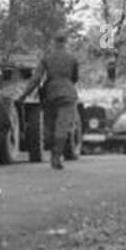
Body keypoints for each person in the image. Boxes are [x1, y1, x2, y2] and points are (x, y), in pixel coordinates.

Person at [33, 31, 80, 169]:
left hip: (50, 94)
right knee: (62, 127)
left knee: (50, 127)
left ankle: (54, 153)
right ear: (65, 43)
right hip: (68, 94)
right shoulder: (72, 59)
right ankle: (56, 157)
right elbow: (75, 78)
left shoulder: (47, 58)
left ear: (54, 43)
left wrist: (24, 95)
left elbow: (36, 79)